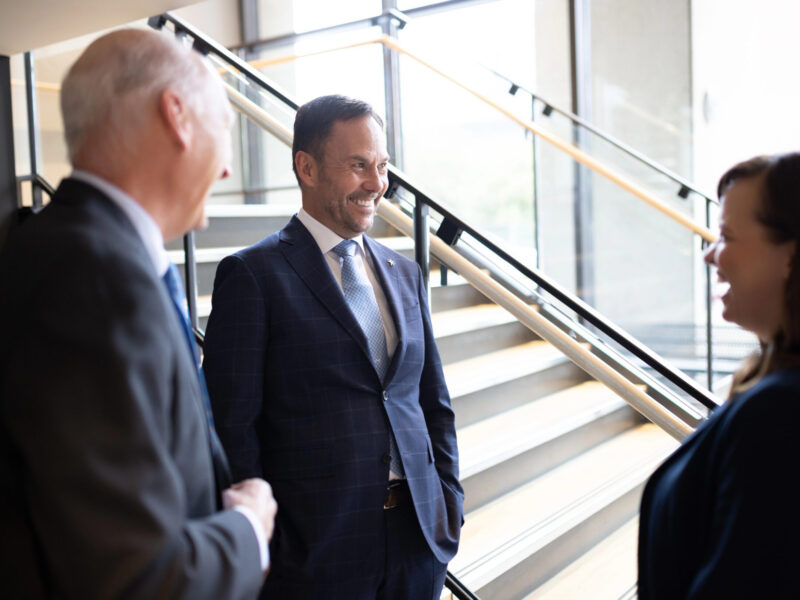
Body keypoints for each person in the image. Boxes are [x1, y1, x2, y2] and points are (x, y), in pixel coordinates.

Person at [0, 29, 277, 599]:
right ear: (177, 115)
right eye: (225, 128)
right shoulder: (92, 279)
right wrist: (250, 527)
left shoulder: (72, 253)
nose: (227, 171)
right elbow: (137, 577)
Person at [203, 94, 463, 599]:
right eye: (358, 166)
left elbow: (433, 402)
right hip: (315, 557)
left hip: (417, 543)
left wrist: (448, 502)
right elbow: (232, 429)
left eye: (382, 166)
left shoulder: (405, 272)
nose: (376, 184)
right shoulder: (253, 276)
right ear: (307, 167)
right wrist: (268, 548)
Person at [637, 152, 800, 598]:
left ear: (790, 255)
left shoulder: (779, 412)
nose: (710, 254)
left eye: (726, 235)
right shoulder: (770, 389)